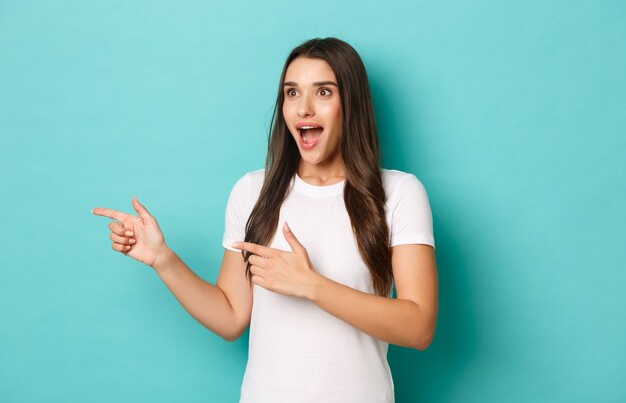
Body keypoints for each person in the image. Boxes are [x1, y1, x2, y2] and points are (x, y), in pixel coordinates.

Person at [92, 37, 438, 403]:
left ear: (350, 103)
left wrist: (312, 286)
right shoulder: (252, 191)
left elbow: (419, 327)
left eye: (323, 92)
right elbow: (230, 317)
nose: (303, 108)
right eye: (292, 93)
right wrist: (163, 260)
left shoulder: (399, 193)